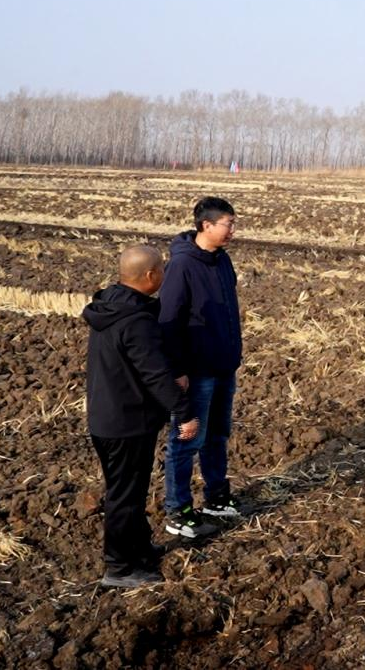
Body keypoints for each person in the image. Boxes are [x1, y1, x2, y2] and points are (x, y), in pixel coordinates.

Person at [83, 245, 199, 588]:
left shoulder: (112, 306)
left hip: (108, 417)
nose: (164, 274)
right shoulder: (134, 320)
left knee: (128, 490)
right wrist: (184, 412)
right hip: (126, 422)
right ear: (150, 276)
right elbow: (154, 374)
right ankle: (119, 568)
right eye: (161, 269)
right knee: (125, 495)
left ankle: (138, 549)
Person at [159, 196, 243, 538]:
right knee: (186, 439)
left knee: (217, 435)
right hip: (197, 371)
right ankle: (177, 511)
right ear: (206, 225)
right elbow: (169, 321)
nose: (233, 231)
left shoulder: (222, 261)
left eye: (234, 224)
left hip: (224, 366)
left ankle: (216, 498)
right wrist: (177, 369)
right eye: (228, 224)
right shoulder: (181, 266)